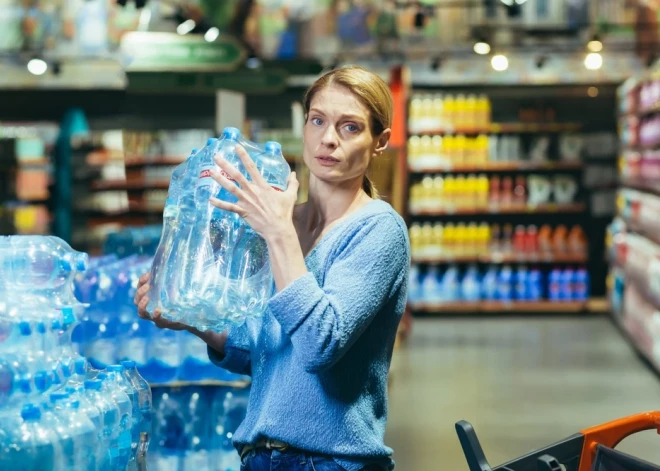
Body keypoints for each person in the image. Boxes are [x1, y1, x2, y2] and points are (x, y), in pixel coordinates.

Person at [134, 65, 410, 471]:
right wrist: (188, 318)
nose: (328, 139)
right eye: (318, 120)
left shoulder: (378, 230)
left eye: (350, 127)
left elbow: (320, 344)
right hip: (260, 456)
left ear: (379, 141)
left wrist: (278, 232)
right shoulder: (283, 221)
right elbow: (262, 349)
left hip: (331, 462)